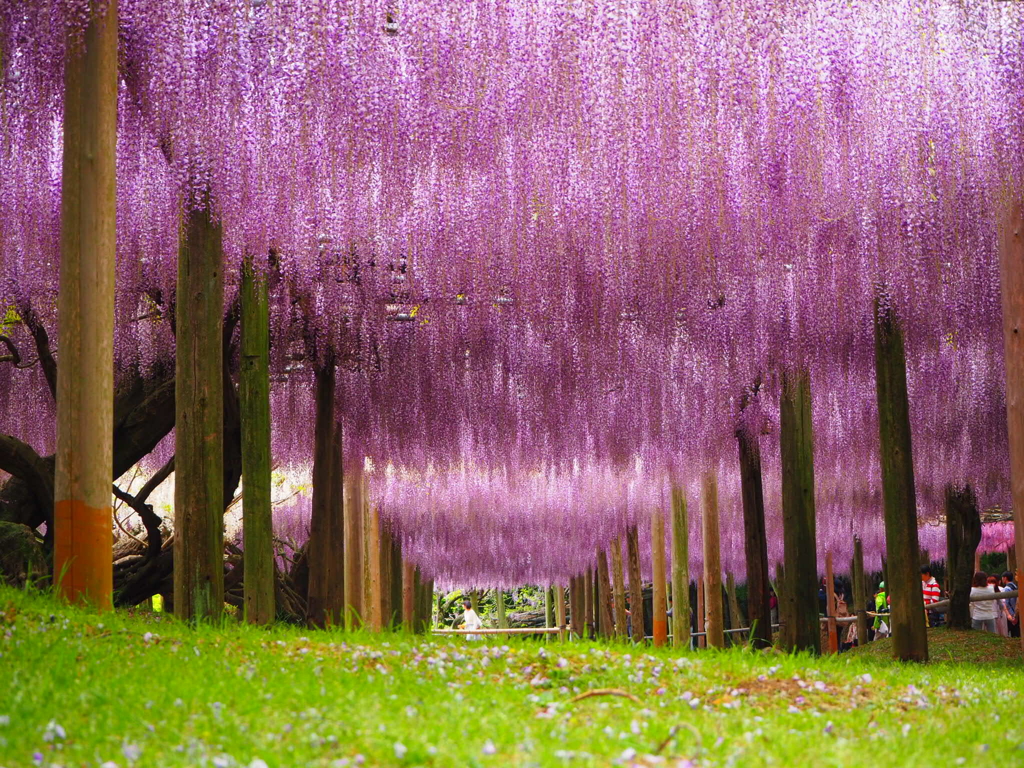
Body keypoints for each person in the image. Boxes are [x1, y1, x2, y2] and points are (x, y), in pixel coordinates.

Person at [1001, 571, 1019, 639]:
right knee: (1017, 633)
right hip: (1017, 613)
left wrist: (1010, 615)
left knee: (1011, 633)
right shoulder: (1015, 586)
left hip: (1011, 615)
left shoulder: (1006, 589)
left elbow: (1006, 603)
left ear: (1005, 578)